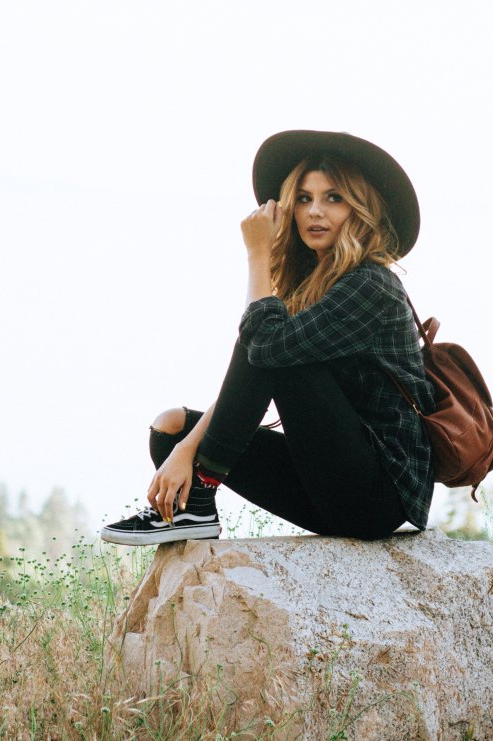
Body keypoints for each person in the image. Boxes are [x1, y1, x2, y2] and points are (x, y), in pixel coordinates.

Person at [100, 130, 436, 546]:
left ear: (362, 210)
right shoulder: (312, 284)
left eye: (334, 198)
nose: (315, 211)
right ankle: (195, 508)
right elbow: (260, 361)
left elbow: (266, 348)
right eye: (304, 198)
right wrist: (186, 447)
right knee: (170, 429)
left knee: (273, 342)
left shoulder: (372, 285)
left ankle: (202, 493)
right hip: (325, 486)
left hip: (377, 497)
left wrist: (257, 255)